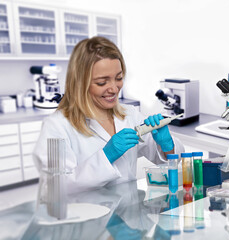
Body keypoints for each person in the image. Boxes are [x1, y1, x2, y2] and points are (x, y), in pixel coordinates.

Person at [33, 36, 184, 194]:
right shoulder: (57, 125)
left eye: (118, 78)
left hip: (129, 212)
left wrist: (167, 145)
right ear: (80, 83)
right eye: (102, 82)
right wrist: (106, 155)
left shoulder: (129, 115)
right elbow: (55, 187)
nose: (114, 88)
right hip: (89, 215)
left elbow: (170, 159)